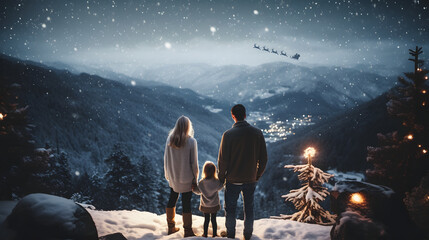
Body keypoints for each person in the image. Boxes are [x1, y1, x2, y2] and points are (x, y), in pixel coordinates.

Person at [218, 104, 268, 240]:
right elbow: (263, 159)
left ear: (233, 116)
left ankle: (231, 235)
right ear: (245, 115)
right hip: (250, 179)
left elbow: (223, 161)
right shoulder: (257, 133)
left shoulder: (228, 135)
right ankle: (247, 235)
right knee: (249, 208)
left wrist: (221, 178)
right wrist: (256, 175)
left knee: (230, 209)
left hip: (233, 180)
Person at [164, 115, 198, 237]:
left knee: (172, 199)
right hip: (187, 178)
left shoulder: (170, 140)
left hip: (173, 177)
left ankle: (171, 227)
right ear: (188, 127)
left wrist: (167, 175)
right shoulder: (191, 141)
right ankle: (188, 231)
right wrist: (195, 178)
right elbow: (194, 163)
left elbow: (166, 159)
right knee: (186, 203)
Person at [192, 161, 224, 238]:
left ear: (204, 171)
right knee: (213, 220)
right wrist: (223, 180)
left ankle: (205, 234)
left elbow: (198, 191)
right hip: (214, 204)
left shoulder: (201, 183)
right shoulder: (216, 182)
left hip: (205, 205)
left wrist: (193, 189)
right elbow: (221, 186)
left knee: (206, 220)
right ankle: (214, 234)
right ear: (214, 171)